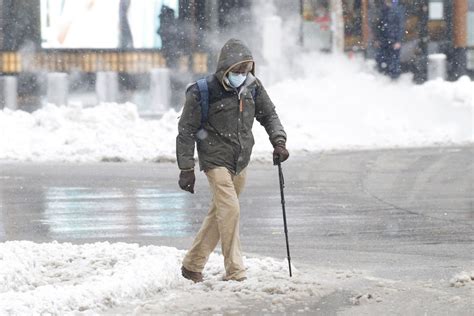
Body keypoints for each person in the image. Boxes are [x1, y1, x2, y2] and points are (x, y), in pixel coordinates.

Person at [176, 38, 289, 282]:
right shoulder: (202, 92)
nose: (242, 74)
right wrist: (186, 168)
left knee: (221, 213)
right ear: (225, 68)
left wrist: (279, 141)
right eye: (237, 71)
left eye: (246, 70)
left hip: (240, 160)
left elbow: (269, 115)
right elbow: (185, 131)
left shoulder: (253, 87)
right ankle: (236, 271)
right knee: (230, 210)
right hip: (214, 159)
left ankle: (192, 265)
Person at [373, 0, 405, 79]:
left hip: (393, 40)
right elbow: (378, 25)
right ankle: (384, 78)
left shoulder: (397, 10)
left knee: (393, 62)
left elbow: (400, 26)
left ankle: (393, 80)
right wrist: (377, 39)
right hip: (384, 40)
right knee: (383, 60)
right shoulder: (383, 10)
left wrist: (398, 40)